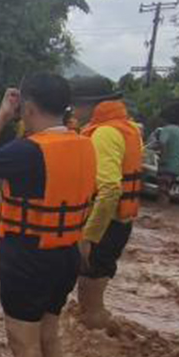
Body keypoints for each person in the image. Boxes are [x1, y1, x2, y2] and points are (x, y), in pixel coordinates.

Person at [0, 74, 96, 357]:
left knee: (24, 345)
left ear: (29, 107)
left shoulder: (27, 151)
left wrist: (1, 116)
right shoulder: (84, 143)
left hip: (27, 257)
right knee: (49, 336)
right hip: (66, 253)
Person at [71, 76, 144, 329]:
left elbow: (110, 190)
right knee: (91, 304)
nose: (73, 111)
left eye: (75, 105)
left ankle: (105, 350)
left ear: (89, 105)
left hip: (103, 228)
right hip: (117, 225)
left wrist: (88, 237)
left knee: (90, 308)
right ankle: (113, 343)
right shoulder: (127, 127)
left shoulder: (104, 133)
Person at [148, 115, 179, 206]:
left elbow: (162, 143)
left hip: (166, 165)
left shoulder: (166, 129)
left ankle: (159, 210)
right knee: (166, 189)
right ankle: (163, 210)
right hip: (177, 166)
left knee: (162, 189)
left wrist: (162, 158)